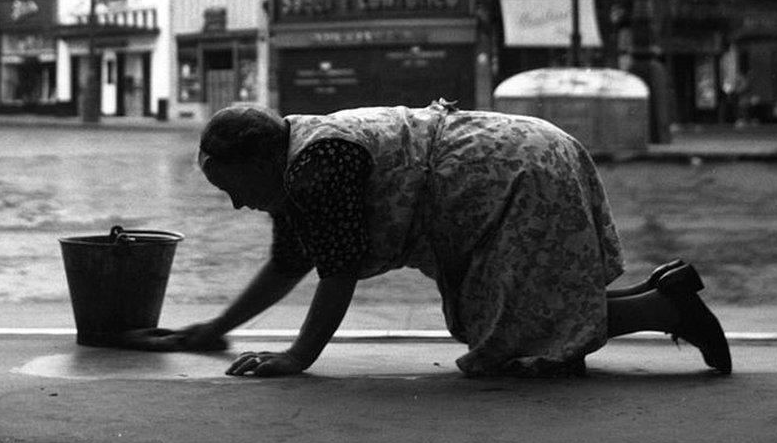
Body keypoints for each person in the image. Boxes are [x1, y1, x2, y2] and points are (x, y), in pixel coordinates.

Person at [165, 101, 732, 379]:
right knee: (511, 318)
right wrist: (213, 329)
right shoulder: (296, 160)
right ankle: (663, 295)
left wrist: (297, 357)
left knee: (512, 336)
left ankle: (668, 306)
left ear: (262, 158)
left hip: (510, 170)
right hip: (514, 157)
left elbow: (335, 273)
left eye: (234, 189)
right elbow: (288, 264)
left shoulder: (318, 166)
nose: (238, 204)